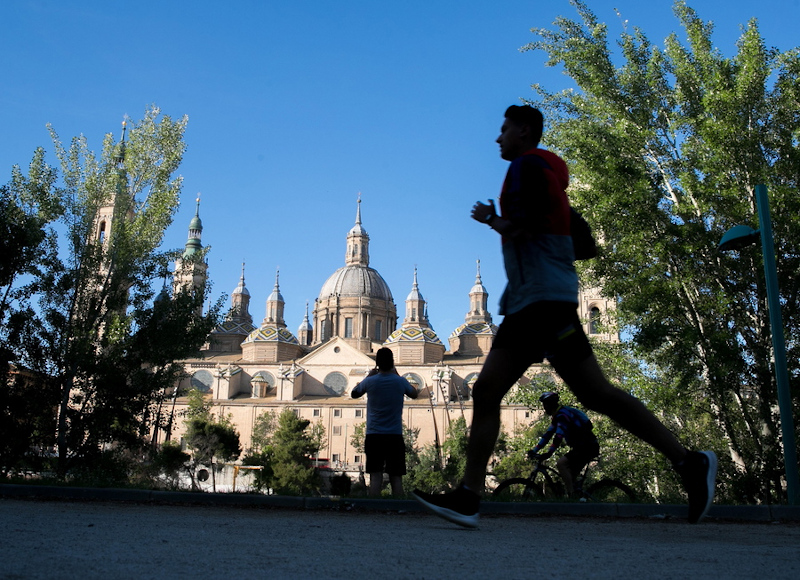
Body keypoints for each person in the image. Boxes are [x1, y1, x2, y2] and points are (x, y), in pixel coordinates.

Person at [413, 105, 717, 527]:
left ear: (524, 130)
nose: (498, 138)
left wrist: (493, 221)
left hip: (537, 302)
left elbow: (528, 226)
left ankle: (469, 495)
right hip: (537, 300)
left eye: (503, 130)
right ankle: (687, 463)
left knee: (530, 394)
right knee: (574, 394)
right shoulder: (553, 178)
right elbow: (585, 243)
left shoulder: (525, 168)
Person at [351, 347, 418, 497]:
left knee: (375, 475)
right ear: (393, 363)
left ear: (377, 364)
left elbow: (354, 393)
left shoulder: (370, 381)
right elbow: (414, 394)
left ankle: (374, 508)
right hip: (394, 434)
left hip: (374, 434)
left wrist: (368, 375)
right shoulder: (400, 381)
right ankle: (398, 507)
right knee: (396, 476)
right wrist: (398, 375)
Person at [527, 392, 599, 496]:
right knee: (570, 476)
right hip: (583, 447)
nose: (544, 408)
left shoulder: (562, 415)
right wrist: (534, 450)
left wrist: (549, 453)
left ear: (549, 404)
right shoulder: (558, 415)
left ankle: (571, 495)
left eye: (545, 405)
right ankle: (578, 498)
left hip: (587, 447)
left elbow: (558, 436)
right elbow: (548, 435)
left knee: (561, 464)